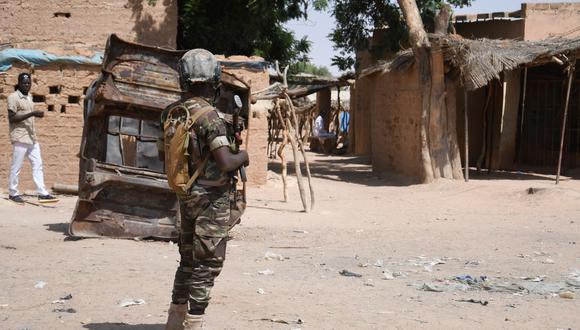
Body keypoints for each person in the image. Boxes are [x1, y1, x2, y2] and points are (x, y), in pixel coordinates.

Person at [161, 49, 249, 330]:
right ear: (213, 79)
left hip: (186, 195)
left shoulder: (173, 112)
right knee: (206, 265)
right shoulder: (209, 115)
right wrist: (244, 156)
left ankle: (175, 321)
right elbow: (225, 162)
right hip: (211, 200)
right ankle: (194, 323)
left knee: (186, 261)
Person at [6, 73, 58, 204]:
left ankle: (42, 193)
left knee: (38, 163)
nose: (27, 85)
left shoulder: (29, 97)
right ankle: (13, 192)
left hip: (31, 137)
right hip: (20, 136)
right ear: (18, 83)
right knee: (16, 166)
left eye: (29, 83)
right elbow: (12, 118)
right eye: (24, 83)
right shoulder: (13, 97)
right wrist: (33, 113)